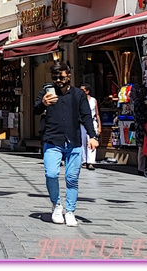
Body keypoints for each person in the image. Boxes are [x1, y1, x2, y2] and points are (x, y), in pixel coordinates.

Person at [33, 62, 99, 227]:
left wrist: (92, 136)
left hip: (74, 142)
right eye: (55, 77)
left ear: (68, 75)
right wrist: (44, 103)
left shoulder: (78, 94)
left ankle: (70, 211)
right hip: (52, 140)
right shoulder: (46, 93)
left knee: (71, 178)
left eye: (61, 77)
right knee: (51, 174)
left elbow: (86, 116)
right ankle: (56, 205)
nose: (58, 80)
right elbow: (35, 110)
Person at [79, 84, 101, 170]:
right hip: (82, 123)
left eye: (83, 90)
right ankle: (83, 160)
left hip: (92, 121)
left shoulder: (93, 100)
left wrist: (99, 127)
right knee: (82, 142)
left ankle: (91, 161)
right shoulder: (79, 100)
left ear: (87, 91)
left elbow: (97, 114)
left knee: (92, 140)